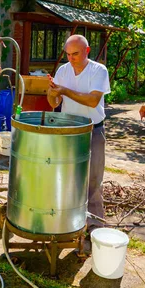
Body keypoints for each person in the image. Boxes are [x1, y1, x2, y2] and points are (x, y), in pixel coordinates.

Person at [46, 35, 111, 234]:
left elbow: (93, 101)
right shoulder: (63, 71)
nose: (71, 58)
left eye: (75, 54)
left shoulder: (98, 70)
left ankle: (95, 226)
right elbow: (53, 104)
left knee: (93, 179)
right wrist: (52, 92)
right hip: (68, 131)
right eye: (68, 54)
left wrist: (64, 90)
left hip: (94, 129)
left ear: (87, 51)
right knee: (66, 177)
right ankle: (67, 220)